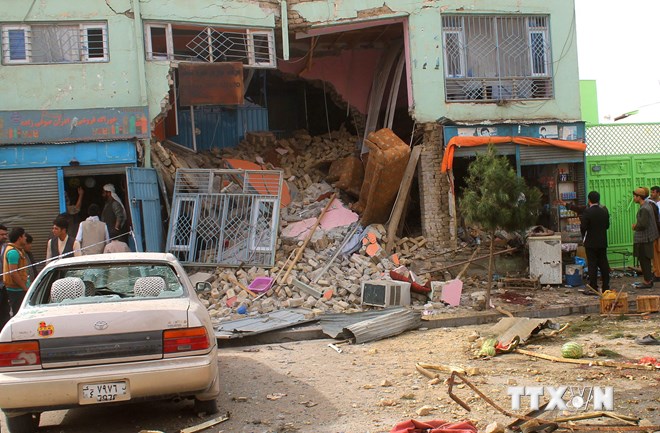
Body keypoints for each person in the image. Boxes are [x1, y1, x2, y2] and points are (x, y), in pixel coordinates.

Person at [580, 191, 610, 293]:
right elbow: (607, 226)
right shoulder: (604, 211)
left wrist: (584, 236)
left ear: (589, 200)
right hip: (602, 242)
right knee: (603, 264)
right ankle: (606, 286)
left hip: (591, 243)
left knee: (592, 265)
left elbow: (583, 227)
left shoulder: (587, 212)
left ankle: (593, 287)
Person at [632, 187, 660, 289]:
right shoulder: (648, 205)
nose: (634, 198)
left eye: (635, 196)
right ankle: (648, 280)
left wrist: (635, 226)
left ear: (639, 197)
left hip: (644, 239)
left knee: (644, 261)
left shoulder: (644, 208)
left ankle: (647, 281)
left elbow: (643, 224)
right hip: (647, 238)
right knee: (645, 260)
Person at [2, 227, 30, 315]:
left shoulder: (17, 250)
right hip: (17, 290)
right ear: (19, 238)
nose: (25, 238)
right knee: (19, 313)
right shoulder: (13, 252)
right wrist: (24, 287)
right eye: (24, 236)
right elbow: (13, 273)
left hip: (19, 289)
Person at [0, 224, 10, 330]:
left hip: (5, 286)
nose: (5, 237)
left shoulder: (7, 248)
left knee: (5, 312)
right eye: (2, 234)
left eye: (5, 234)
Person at [650, 185, 660, 282]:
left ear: (658, 193)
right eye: (651, 192)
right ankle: (657, 272)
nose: (651, 194)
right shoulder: (650, 203)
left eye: (653, 192)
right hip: (655, 231)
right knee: (655, 254)